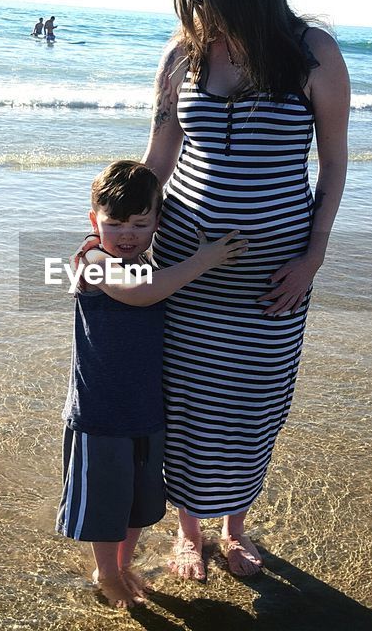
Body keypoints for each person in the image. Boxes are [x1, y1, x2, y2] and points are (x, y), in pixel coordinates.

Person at [142, 0, 350, 580]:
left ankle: (235, 529)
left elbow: (336, 163)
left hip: (274, 276)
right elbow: (159, 159)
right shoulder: (182, 55)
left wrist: (313, 256)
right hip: (184, 269)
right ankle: (187, 532)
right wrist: (113, 226)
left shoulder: (313, 54)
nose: (204, 8)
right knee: (187, 405)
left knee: (253, 405)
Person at [57, 160, 246, 608]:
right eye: (115, 223)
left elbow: (154, 281)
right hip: (100, 413)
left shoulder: (146, 262)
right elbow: (141, 292)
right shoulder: (93, 261)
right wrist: (204, 260)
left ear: (157, 222)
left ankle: (123, 563)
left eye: (140, 224)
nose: (127, 234)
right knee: (105, 504)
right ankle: (106, 572)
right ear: (93, 223)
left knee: (138, 502)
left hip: (146, 409)